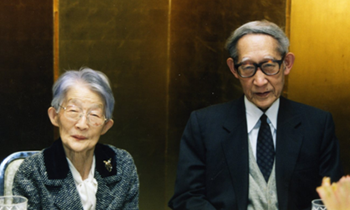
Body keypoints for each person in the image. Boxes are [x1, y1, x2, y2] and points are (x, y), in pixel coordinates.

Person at [168, 20, 343, 210]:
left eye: (269, 66)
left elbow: (333, 199)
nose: (259, 81)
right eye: (248, 67)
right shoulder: (203, 125)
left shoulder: (317, 124)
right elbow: (186, 197)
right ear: (233, 68)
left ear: (287, 64)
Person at [13, 68, 139, 210]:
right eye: (73, 111)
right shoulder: (32, 172)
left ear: (106, 126)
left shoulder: (122, 165)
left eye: (94, 115)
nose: (82, 124)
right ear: (54, 116)